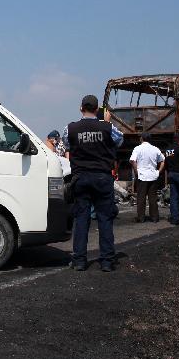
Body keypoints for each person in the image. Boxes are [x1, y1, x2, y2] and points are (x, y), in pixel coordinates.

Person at [65, 94, 124, 272]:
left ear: (81, 108)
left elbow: (68, 145)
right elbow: (120, 140)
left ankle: (80, 260)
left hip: (80, 177)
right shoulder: (107, 127)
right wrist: (107, 122)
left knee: (81, 218)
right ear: (98, 110)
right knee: (105, 218)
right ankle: (106, 261)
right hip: (102, 177)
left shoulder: (70, 128)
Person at [130, 132, 164, 222]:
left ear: (141, 139)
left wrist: (137, 171)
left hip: (142, 176)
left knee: (141, 198)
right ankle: (154, 217)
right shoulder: (155, 149)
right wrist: (158, 172)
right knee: (153, 198)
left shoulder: (138, 148)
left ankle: (141, 218)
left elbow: (133, 161)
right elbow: (163, 160)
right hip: (153, 176)